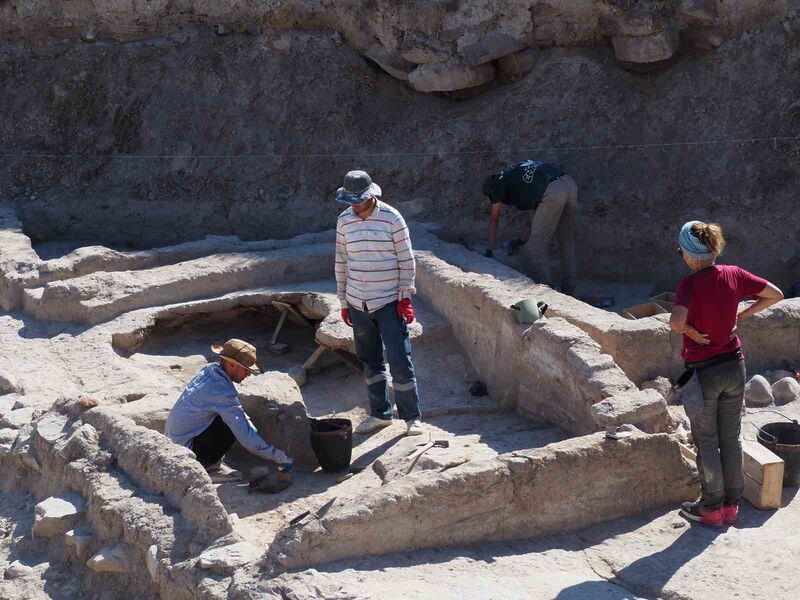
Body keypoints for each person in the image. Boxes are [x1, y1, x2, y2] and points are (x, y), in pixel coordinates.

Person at [670, 221, 783, 527]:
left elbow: (676, 322)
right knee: (730, 437)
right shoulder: (734, 274)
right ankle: (731, 507)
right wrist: (741, 314)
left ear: (692, 257)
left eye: (681, 251)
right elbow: (775, 294)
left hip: (704, 372)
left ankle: (710, 508)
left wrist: (691, 331)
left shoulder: (689, 285)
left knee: (707, 441)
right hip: (735, 365)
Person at [334, 170, 423, 436]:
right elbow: (341, 261)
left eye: (359, 200)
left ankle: (411, 417)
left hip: (387, 301)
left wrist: (405, 297)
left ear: (371, 195)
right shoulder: (344, 221)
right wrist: (343, 300)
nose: (355, 205)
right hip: (357, 301)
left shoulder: (392, 218)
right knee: (370, 360)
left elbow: (407, 260)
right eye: (351, 201)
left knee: (399, 358)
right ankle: (380, 414)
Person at [164, 338, 292, 481]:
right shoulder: (222, 392)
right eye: (246, 369)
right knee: (230, 425)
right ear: (231, 364)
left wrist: (251, 430)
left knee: (233, 417)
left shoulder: (210, 370)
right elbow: (245, 435)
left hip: (174, 442)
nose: (248, 374)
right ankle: (207, 468)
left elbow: (240, 417)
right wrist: (277, 456)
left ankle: (212, 463)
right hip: (186, 454)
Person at [482, 160, 578, 294]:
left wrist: (489, 250)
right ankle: (570, 288)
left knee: (535, 247)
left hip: (553, 191)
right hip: (570, 184)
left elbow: (494, 219)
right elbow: (531, 222)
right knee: (566, 239)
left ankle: (549, 291)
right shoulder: (516, 177)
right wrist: (520, 241)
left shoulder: (497, 185)